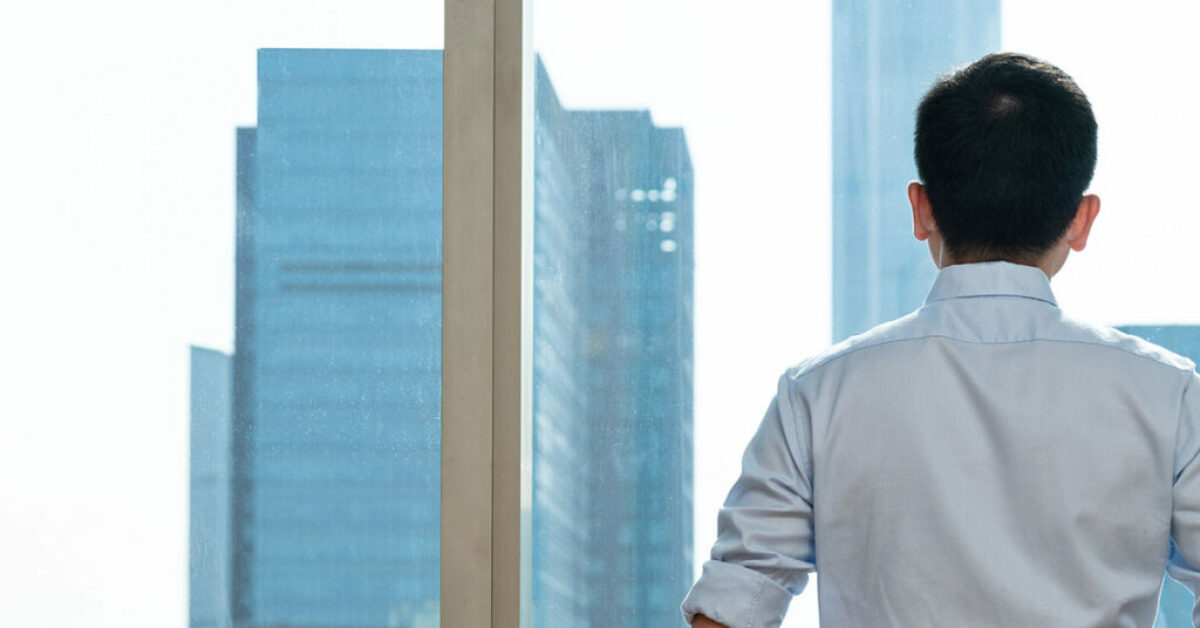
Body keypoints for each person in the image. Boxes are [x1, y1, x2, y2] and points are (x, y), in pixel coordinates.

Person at [681, 52, 1200, 627]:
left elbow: (734, 602)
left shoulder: (816, 394)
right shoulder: (1170, 395)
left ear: (921, 208)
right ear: (1081, 219)